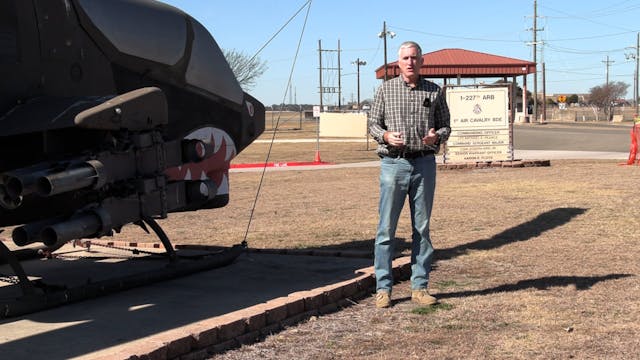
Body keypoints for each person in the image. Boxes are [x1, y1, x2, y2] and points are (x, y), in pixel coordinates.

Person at [368, 41, 451, 308]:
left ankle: (420, 286)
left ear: (422, 61)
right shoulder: (385, 90)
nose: (410, 62)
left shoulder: (434, 91)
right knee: (386, 229)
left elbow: (446, 125)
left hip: (424, 164)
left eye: (414, 58)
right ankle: (383, 288)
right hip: (394, 165)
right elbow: (372, 123)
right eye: (405, 58)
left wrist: (435, 136)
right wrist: (385, 135)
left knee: (422, 228)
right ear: (398, 62)